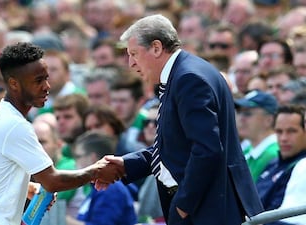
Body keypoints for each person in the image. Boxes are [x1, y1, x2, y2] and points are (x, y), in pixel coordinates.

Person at [96, 14, 264, 225]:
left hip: (207, 211)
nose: (131, 63)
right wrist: (125, 164)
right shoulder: (185, 73)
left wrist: (183, 205)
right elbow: (176, 146)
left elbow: (207, 150)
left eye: (134, 54)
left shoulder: (188, 79)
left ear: (156, 48)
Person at [0, 42, 118, 225]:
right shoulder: (15, 125)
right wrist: (96, 171)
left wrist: (22, 187)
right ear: (14, 84)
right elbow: (52, 182)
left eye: (46, 78)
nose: (47, 86)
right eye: (38, 81)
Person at [71, 131, 137, 225]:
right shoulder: (98, 187)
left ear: (92, 157)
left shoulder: (111, 188)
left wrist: (65, 220)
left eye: (78, 156)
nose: (75, 162)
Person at [256, 105, 306, 225]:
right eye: (279, 131)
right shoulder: (272, 163)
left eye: (292, 131)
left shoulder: (301, 168)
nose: (284, 138)